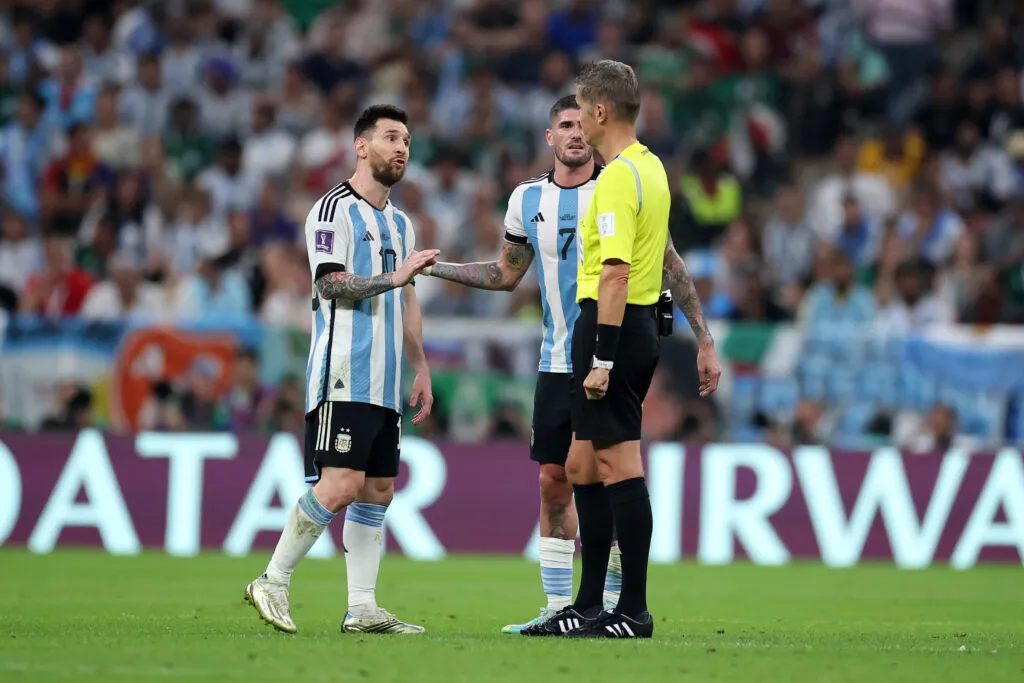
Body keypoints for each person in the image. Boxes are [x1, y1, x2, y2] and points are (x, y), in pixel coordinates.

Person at [533, 60, 721, 639]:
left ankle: (632, 610)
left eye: (583, 110)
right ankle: (589, 605)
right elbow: (667, 257)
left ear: (599, 112)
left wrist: (603, 359)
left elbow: (614, 272)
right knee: (582, 463)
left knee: (619, 463)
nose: (580, 124)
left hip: (613, 326)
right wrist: (704, 337)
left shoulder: (615, 178)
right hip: (637, 324)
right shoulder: (653, 169)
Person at [424, 95, 624, 634]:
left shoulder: (618, 188)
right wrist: (436, 268)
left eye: (583, 125)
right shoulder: (526, 199)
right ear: (549, 137)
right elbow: (506, 274)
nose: (575, 132)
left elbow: (662, 261)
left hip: (608, 358)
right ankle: (558, 608)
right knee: (552, 481)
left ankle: (610, 605)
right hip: (554, 361)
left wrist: (700, 332)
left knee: (607, 477)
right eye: (565, 124)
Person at [245, 104, 439, 635]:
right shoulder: (332, 209)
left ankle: (362, 607)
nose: (402, 148)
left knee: (378, 490)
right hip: (344, 372)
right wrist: (393, 278)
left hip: (388, 379)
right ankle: (273, 579)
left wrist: (420, 367)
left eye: (407, 140)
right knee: (341, 484)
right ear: (361, 145)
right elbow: (330, 283)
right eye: (391, 138)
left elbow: (409, 298)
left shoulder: (401, 221)